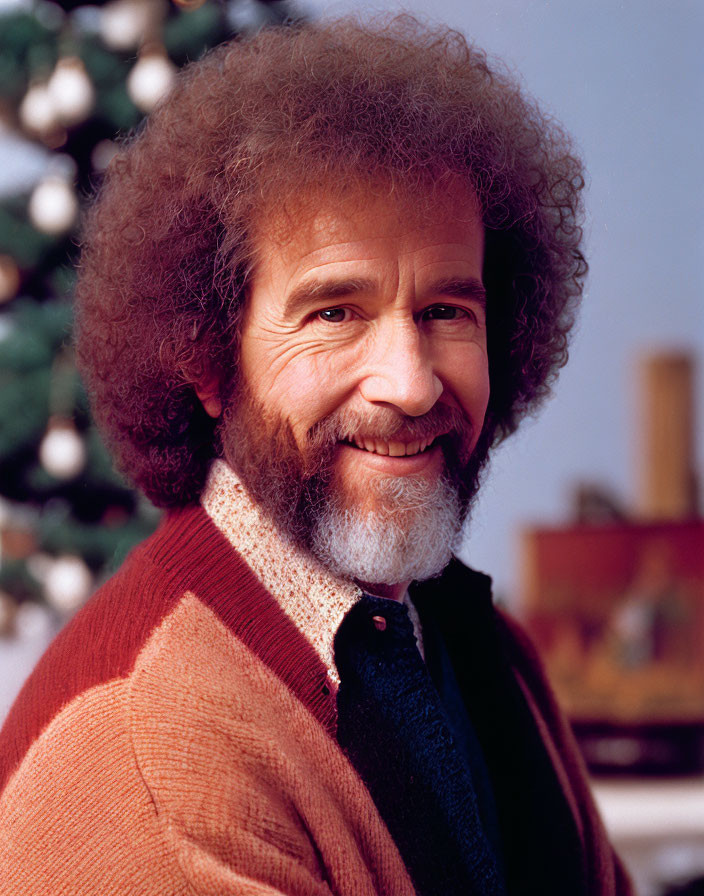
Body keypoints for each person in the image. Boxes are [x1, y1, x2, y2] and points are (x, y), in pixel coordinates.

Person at [0, 15, 632, 895]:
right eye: (335, 314)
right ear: (205, 361)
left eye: (448, 311)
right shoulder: (152, 755)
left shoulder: (487, 651)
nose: (410, 385)